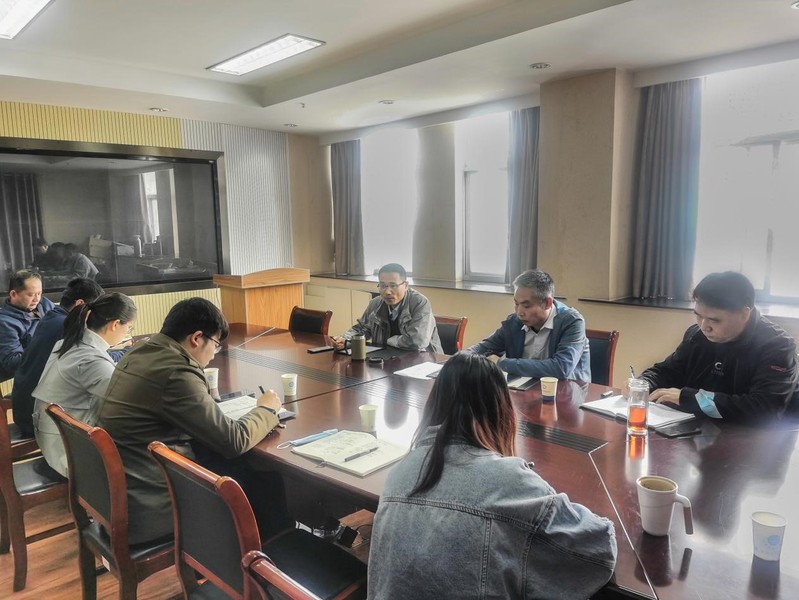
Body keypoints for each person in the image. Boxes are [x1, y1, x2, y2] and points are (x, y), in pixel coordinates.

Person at [368, 353, 617, 599]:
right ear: (501, 412)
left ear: (433, 405)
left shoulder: (399, 474)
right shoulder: (509, 482)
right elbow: (599, 547)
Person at [99, 297, 290, 544]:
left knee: (242, 471)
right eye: (216, 345)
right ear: (197, 338)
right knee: (263, 482)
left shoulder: (140, 352)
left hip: (124, 496)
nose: (214, 354)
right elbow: (233, 440)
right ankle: (267, 557)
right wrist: (267, 410)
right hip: (152, 510)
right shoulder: (176, 372)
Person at [639, 271, 799, 423]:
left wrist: (689, 398)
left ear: (744, 314)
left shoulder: (777, 346)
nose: (704, 327)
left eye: (714, 320)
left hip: (760, 436)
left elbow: (765, 409)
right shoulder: (696, 335)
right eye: (698, 316)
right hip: (706, 428)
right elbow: (668, 371)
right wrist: (642, 384)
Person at [32, 293, 137, 477]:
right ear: (115, 324)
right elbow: (126, 400)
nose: (127, 333)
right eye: (129, 328)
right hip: (66, 454)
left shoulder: (71, 343)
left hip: (52, 439)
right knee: (141, 440)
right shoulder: (90, 359)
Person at [12, 277, 105, 437]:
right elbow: (92, 358)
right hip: (36, 417)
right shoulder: (67, 326)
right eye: (93, 311)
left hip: (23, 407)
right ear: (80, 304)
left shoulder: (51, 316)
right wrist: (124, 351)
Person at [466, 269, 591, 380]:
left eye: (526, 306)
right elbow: (481, 349)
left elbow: (561, 368)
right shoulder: (514, 322)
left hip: (567, 392)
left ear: (547, 303)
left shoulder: (572, 322)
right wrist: (462, 358)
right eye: (516, 304)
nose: (519, 312)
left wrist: (501, 363)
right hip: (523, 391)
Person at [332, 263, 442, 353]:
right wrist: (345, 340)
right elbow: (361, 329)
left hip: (423, 359)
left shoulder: (419, 303)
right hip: (387, 358)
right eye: (383, 286)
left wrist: (389, 340)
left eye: (393, 285)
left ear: (406, 285)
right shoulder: (376, 303)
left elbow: (417, 341)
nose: (387, 292)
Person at [0, 270, 55, 382]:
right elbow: (13, 362)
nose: (36, 299)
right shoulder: (5, 323)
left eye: (39, 293)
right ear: (13, 294)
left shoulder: (44, 305)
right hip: (27, 378)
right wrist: (48, 349)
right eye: (31, 294)